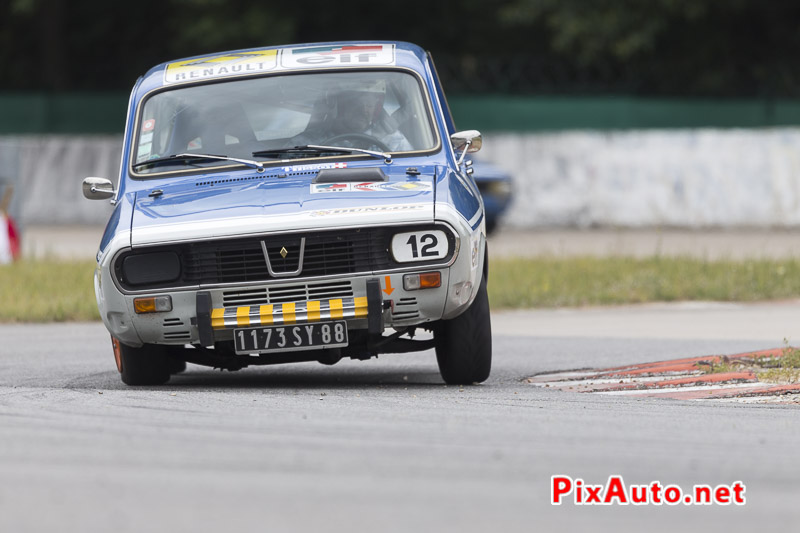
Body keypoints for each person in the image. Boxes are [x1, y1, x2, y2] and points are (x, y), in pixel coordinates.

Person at [298, 79, 413, 152]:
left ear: (377, 109)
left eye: (369, 105)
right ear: (339, 105)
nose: (363, 111)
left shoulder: (394, 142)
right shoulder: (308, 142)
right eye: (356, 104)